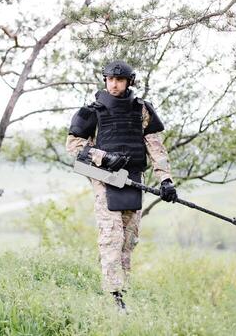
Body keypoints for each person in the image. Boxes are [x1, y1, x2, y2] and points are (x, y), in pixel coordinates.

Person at [65, 60, 177, 311]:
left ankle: (123, 289)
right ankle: (113, 295)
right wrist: (103, 157)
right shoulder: (91, 111)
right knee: (111, 236)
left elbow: (156, 147)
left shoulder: (142, 110)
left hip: (135, 179)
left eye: (120, 80)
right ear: (104, 80)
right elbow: (73, 147)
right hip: (105, 179)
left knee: (129, 239)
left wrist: (166, 180)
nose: (114, 84)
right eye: (110, 80)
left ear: (129, 82)